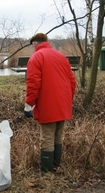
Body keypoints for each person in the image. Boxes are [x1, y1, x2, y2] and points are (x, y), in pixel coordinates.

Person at [24, 33, 76, 175]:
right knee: (58, 136)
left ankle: (46, 173)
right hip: (63, 104)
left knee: (47, 137)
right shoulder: (61, 56)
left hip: (48, 104)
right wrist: (67, 101)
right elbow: (72, 81)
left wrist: (28, 105)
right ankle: (56, 167)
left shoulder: (36, 57)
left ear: (35, 43)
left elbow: (33, 84)